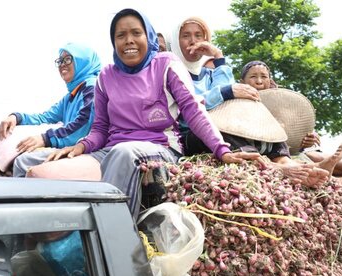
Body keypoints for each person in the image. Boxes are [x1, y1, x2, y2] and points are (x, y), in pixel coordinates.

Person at [43, 8, 262, 220]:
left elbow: (193, 110)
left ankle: (112, 239)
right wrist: (80, 146)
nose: (128, 40)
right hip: (112, 149)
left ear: (148, 36)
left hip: (161, 147)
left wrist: (221, 150)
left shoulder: (166, 64)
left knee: (124, 153)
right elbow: (100, 128)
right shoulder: (106, 76)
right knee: (35, 164)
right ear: (114, 42)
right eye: (121, 35)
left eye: (136, 33)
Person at [168, 16, 342, 190]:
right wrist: (226, 91)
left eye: (199, 35)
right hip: (191, 134)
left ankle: (311, 173)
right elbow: (190, 104)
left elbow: (225, 97)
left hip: (219, 125)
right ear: (176, 40)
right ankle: (273, 167)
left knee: (267, 128)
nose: (193, 41)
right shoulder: (170, 70)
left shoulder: (209, 74)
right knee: (222, 129)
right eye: (186, 36)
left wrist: (218, 57)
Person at [240, 60, 342, 198]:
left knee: (313, 155)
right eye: (253, 77)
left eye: (264, 77)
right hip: (258, 151)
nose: (259, 81)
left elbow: (289, 141)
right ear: (242, 81)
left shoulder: (280, 103)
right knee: (297, 161)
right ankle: (340, 182)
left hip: (282, 151)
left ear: (270, 80)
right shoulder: (236, 104)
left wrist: (303, 141)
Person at [0, 43, 101, 177]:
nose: (62, 64)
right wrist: (16, 117)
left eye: (68, 59)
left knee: (23, 162)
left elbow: (83, 125)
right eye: (60, 61)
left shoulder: (92, 87)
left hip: (86, 150)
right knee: (15, 154)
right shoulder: (72, 95)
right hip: (71, 147)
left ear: (83, 61)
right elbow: (45, 117)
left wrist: (45, 139)